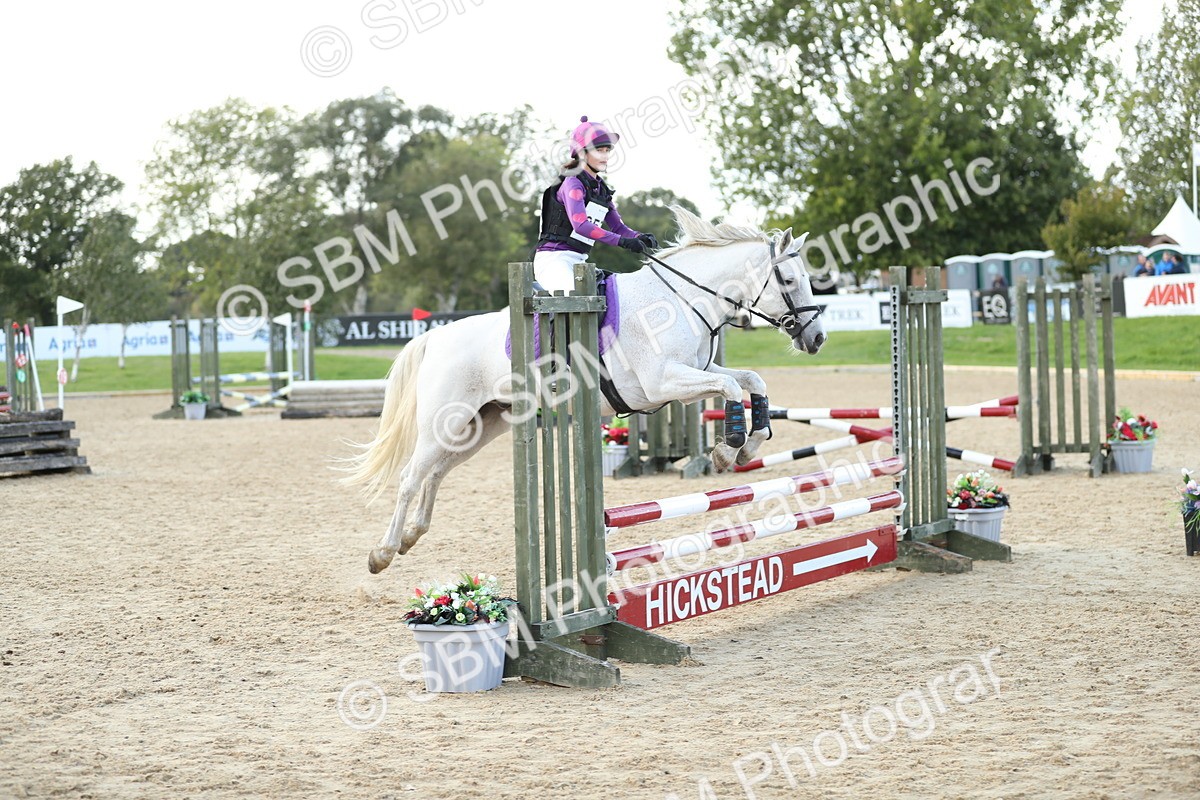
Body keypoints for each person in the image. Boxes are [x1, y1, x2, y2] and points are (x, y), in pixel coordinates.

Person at [534, 116, 657, 293]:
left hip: (580, 261)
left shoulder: (601, 190)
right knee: (579, 302)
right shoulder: (573, 183)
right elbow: (581, 226)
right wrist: (623, 242)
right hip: (554, 261)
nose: (605, 156)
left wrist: (639, 237)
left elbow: (619, 227)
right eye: (599, 150)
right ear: (582, 153)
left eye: (607, 150)